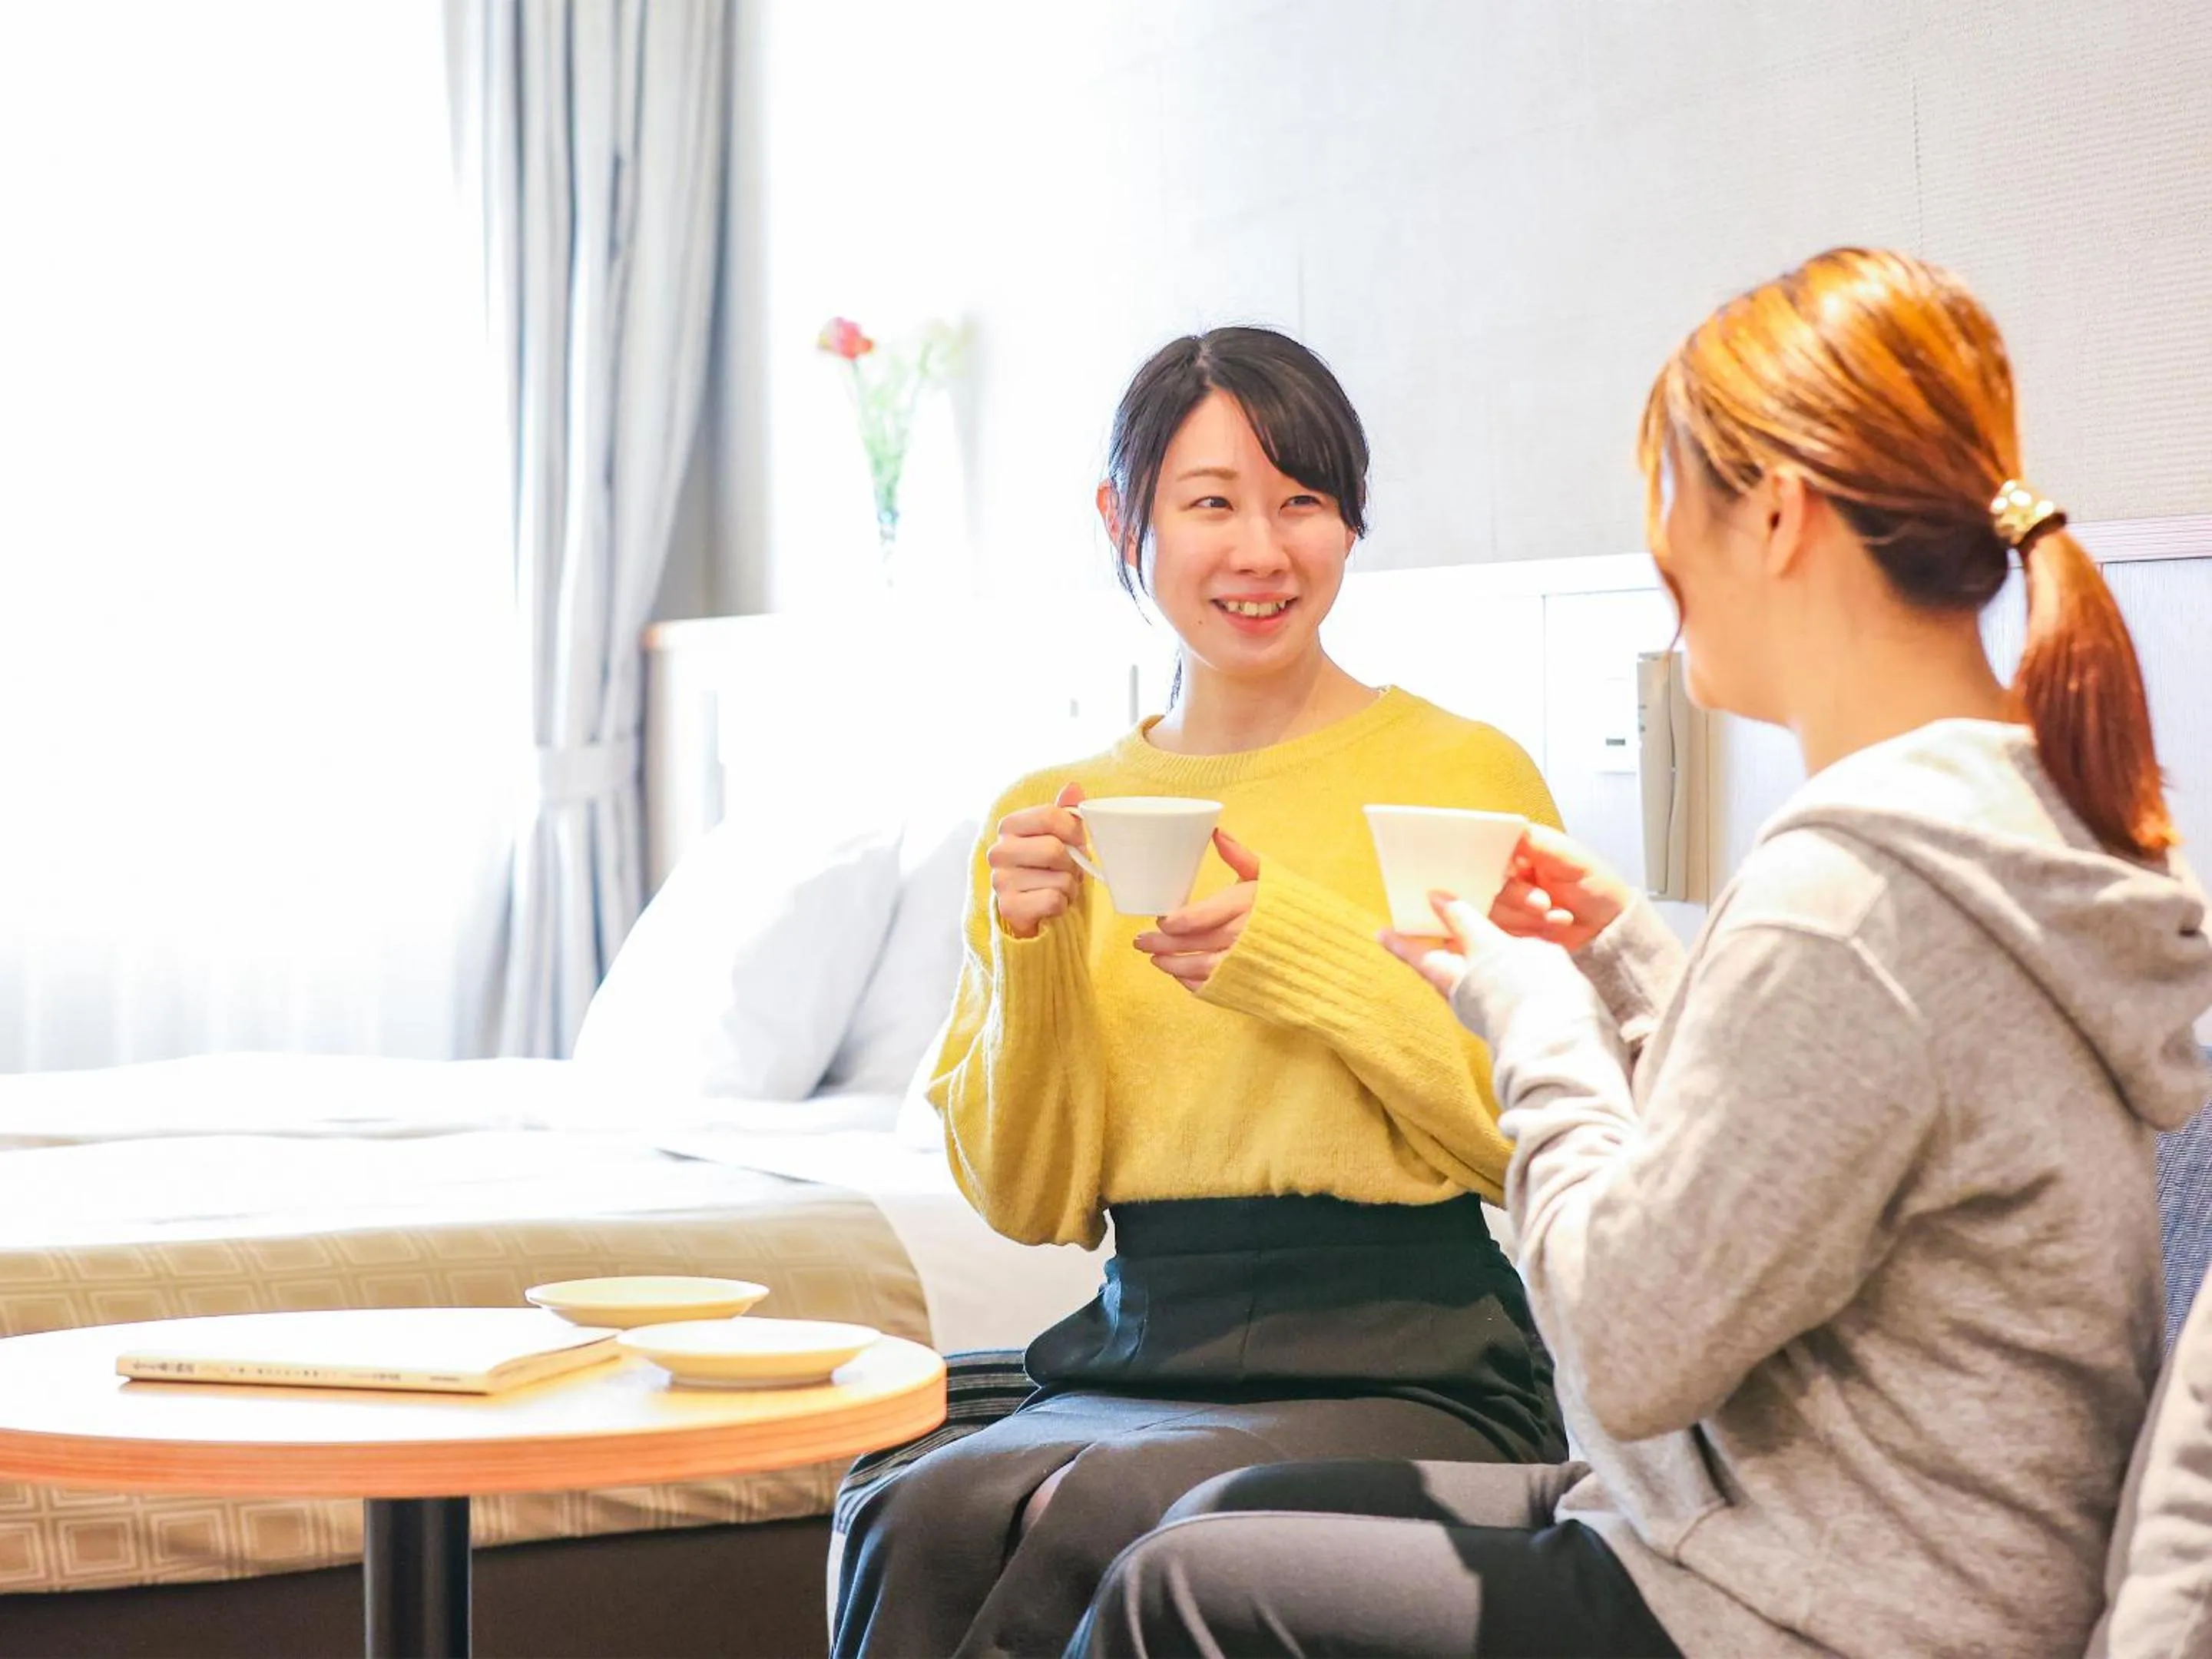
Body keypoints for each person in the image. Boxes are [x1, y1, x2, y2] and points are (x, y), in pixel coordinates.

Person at [1072, 248, 2212, 1657]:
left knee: (1179, 1592)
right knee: (1225, 1512)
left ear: (1779, 518)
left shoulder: (1851, 891)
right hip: (1831, 1528)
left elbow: (1626, 1347)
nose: (1662, 562)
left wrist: (1532, 1011)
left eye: (1674, 504)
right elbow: (1803, 1145)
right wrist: (1631, 961)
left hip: (1831, 1601)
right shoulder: (2010, 822)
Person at [831, 326, 1568, 1657]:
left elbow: (1535, 1144)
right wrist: (1033, 956)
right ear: (1126, 520)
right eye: (1212, 503)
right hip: (1141, 1342)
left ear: (1352, 523)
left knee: (1103, 1508)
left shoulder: (1462, 773)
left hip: (1412, 1351)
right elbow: (1029, 1199)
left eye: (1304, 503)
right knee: (922, 1510)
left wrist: (1300, 959)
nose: (1262, 551)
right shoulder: (1047, 816)